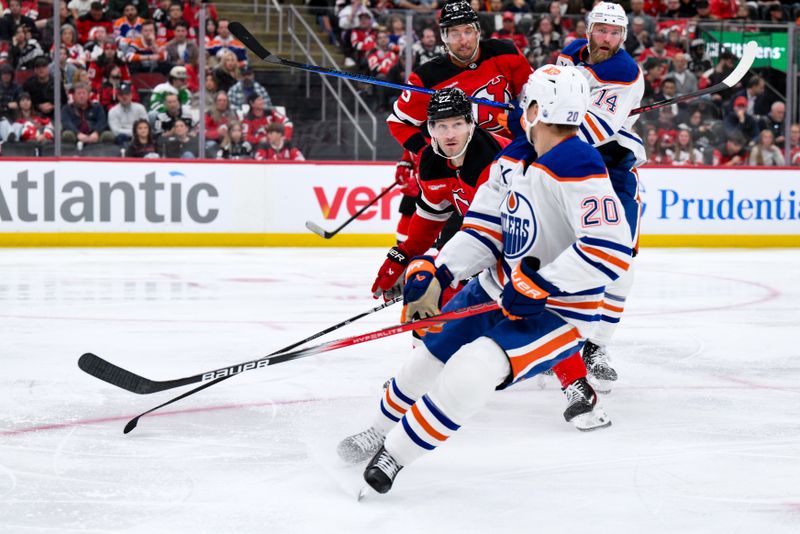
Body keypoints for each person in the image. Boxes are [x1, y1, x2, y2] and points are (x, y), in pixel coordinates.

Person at [339, 66, 631, 494]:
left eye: (524, 103)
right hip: (496, 288)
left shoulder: (579, 165)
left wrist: (543, 284)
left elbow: (610, 249)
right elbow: (483, 229)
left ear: (536, 108)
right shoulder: (512, 157)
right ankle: (377, 429)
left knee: (474, 369)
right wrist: (442, 271)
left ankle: (395, 453)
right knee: (428, 355)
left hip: (558, 312)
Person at [386, 0, 532, 252]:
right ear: (444, 37)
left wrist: (521, 119)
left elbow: (534, 100)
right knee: (455, 249)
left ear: (478, 31)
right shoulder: (427, 77)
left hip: (512, 162)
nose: (462, 40)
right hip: (467, 173)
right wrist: (424, 153)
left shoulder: (506, 52)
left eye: (467, 31)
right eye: (454, 33)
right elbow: (399, 123)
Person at [555, 1, 646, 392]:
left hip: (612, 166)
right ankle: (556, 342)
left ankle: (595, 345)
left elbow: (592, 131)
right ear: (589, 30)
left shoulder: (624, 72)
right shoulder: (570, 52)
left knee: (620, 258)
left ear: (622, 36)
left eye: (615, 32)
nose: (607, 38)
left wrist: (543, 122)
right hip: (566, 162)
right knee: (557, 251)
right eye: (601, 30)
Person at [371, 87, 508, 301]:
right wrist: (404, 254)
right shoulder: (430, 162)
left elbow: (492, 233)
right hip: (486, 235)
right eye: (441, 126)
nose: (450, 134)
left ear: (471, 124)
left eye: (457, 124)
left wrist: (442, 274)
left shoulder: (493, 160)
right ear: (430, 129)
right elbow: (430, 218)